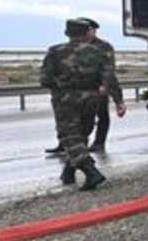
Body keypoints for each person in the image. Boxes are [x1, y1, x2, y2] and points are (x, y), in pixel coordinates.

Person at [39, 18, 127, 190]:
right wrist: (119, 100)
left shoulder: (56, 51)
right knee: (82, 134)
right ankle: (69, 172)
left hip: (66, 99)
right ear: (87, 32)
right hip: (92, 98)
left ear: (68, 33)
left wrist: (60, 86)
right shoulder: (99, 52)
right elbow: (109, 78)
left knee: (69, 137)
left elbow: (44, 79)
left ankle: (91, 172)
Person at [44, 17, 120, 155]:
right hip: (71, 93)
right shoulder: (65, 48)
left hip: (96, 89)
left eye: (92, 30)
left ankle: (98, 143)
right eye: (89, 29)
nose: (91, 32)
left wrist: (110, 91)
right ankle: (67, 146)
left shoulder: (103, 47)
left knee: (100, 116)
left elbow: (109, 72)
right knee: (67, 120)